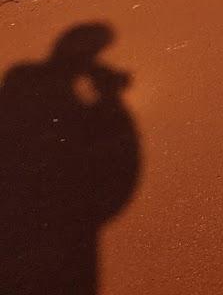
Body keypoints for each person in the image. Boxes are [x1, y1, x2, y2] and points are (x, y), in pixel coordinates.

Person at [0, 23, 140, 295]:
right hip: (60, 226)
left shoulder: (23, 83)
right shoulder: (45, 94)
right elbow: (120, 155)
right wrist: (110, 97)